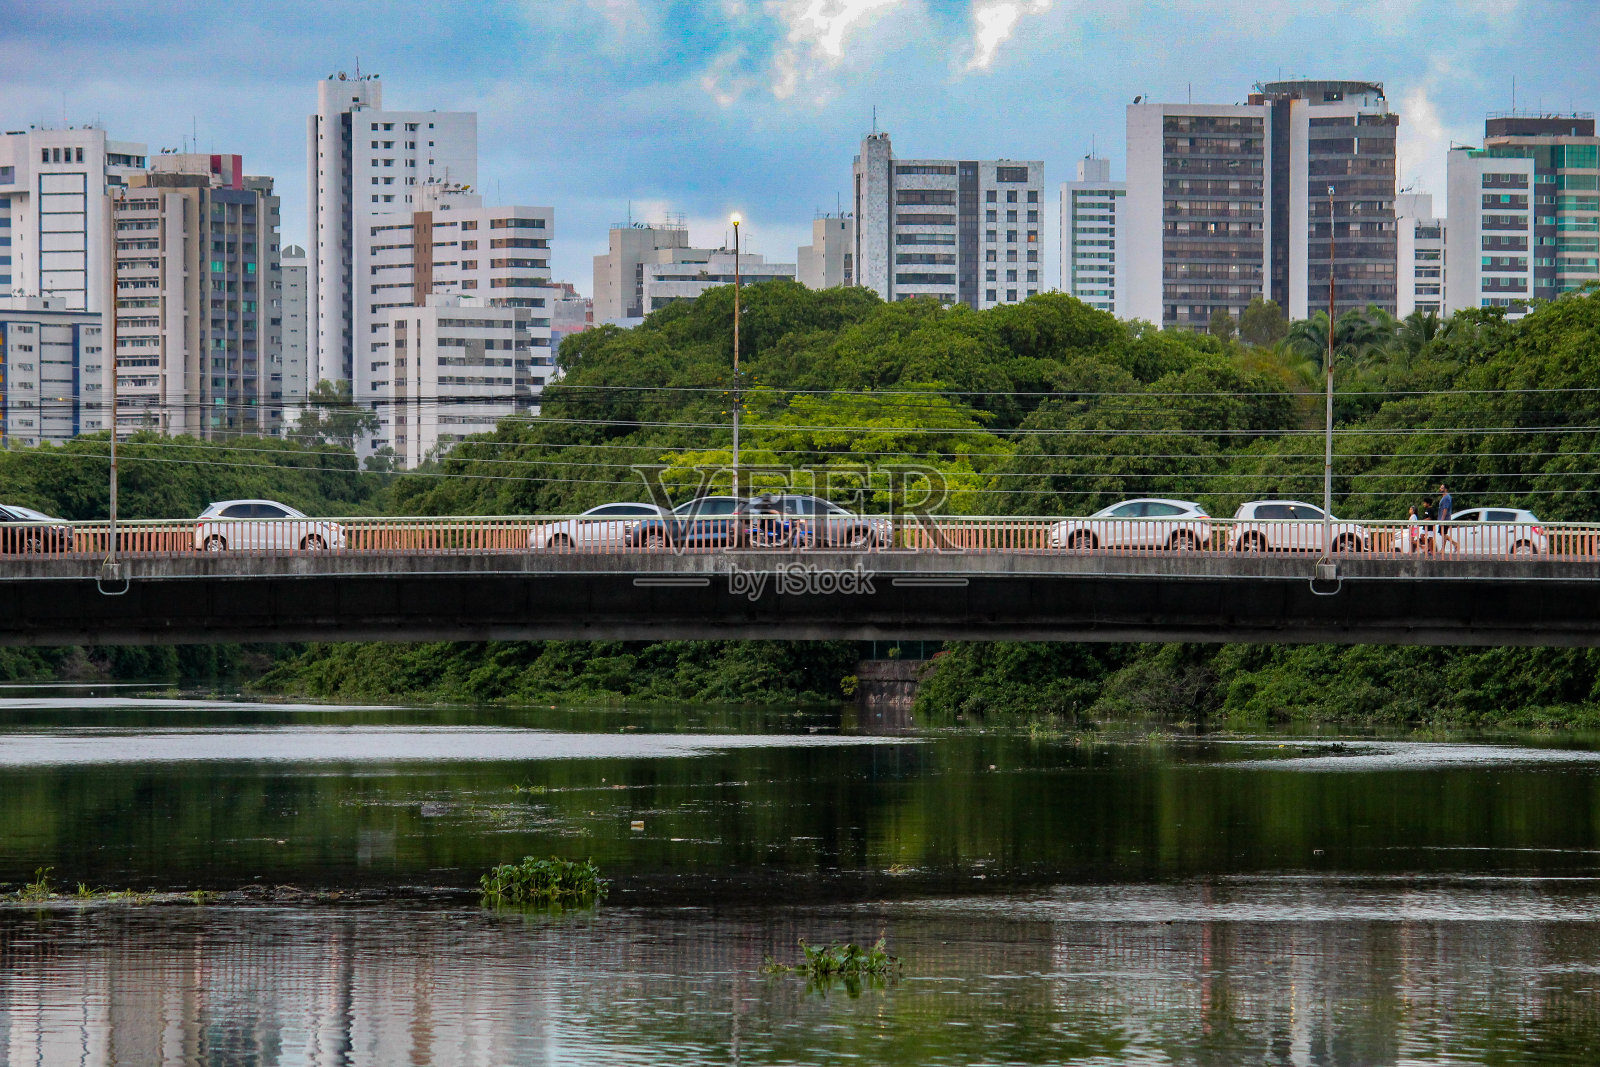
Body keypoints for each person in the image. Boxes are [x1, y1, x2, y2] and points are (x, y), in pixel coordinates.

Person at [1434, 483, 1459, 550]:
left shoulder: (1447, 498)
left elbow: (1445, 509)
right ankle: (1445, 547)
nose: (1440, 489)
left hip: (1445, 518)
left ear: (1446, 489)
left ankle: (1454, 543)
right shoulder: (1444, 497)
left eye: (1442, 488)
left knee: (1443, 533)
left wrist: (1442, 519)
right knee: (1443, 534)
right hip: (1443, 518)